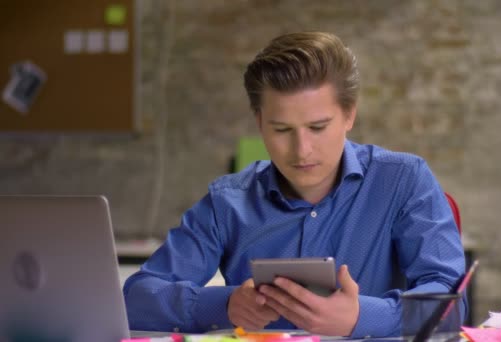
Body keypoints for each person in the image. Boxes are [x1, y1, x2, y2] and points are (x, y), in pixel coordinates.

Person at [123, 31, 466, 338]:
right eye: (282, 130)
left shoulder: (404, 180)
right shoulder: (228, 202)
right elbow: (137, 297)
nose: (302, 151)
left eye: (318, 127)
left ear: (349, 115)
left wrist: (362, 316)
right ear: (259, 122)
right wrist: (224, 305)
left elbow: (450, 304)